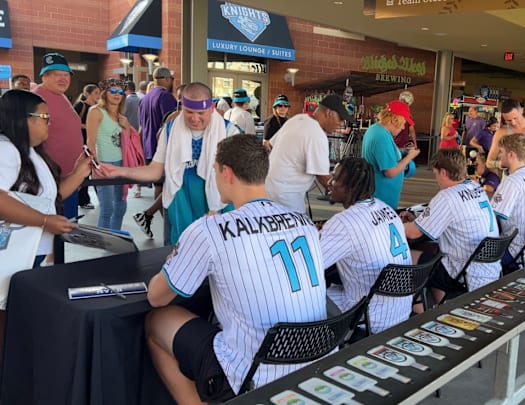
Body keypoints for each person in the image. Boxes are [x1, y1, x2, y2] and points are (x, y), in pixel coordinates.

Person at [145, 135, 326, 403]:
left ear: (226, 172)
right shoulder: (304, 222)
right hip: (315, 361)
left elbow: (156, 297)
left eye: (214, 170)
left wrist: (181, 250)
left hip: (253, 373)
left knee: (156, 320)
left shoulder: (210, 230)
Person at [0, 90, 93, 366]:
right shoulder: (6, 150)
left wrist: (80, 171)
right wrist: (44, 221)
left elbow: (49, 200)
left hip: (32, 251)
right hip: (14, 254)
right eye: (44, 117)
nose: (49, 123)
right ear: (23, 118)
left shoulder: (30, 152)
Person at [100, 82, 242, 244]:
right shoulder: (170, 130)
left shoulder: (230, 132)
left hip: (219, 211)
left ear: (211, 108)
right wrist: (120, 171)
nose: (195, 118)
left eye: (201, 113)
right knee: (178, 253)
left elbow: (240, 180)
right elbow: (155, 170)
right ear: (181, 108)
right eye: (189, 112)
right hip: (180, 207)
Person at [320, 157, 411, 334]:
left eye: (335, 179)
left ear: (352, 187)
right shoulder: (386, 208)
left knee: (303, 300)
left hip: (369, 318)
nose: (329, 182)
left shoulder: (344, 223)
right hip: (399, 311)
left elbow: (307, 267)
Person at [402, 148, 499, 309]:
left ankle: (416, 314)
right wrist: (418, 219)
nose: (436, 180)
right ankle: (441, 306)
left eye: (435, 174)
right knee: (434, 252)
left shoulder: (447, 196)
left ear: (444, 172)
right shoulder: (475, 187)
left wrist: (392, 225)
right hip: (488, 267)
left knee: (406, 257)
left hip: (463, 273)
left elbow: (413, 233)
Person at [266, 94, 353, 213]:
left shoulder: (297, 119)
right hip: (286, 199)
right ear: (329, 113)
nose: (341, 124)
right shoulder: (317, 135)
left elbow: (270, 145)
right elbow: (323, 178)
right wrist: (350, 197)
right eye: (340, 119)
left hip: (268, 191)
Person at [33, 52, 84, 240]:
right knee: (47, 238)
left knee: (63, 235)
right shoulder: (37, 99)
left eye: (66, 74)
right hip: (52, 182)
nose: (63, 78)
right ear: (44, 76)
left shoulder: (60, 96)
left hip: (69, 179)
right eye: (56, 74)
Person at [491, 133, 525, 273]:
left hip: (516, 252)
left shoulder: (512, 181)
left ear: (511, 154)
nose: (499, 156)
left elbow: (492, 217)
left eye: (501, 152)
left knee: (468, 252)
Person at [134, 67, 177, 238]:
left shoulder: (144, 98)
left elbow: (141, 127)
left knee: (160, 186)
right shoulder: (166, 97)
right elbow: (172, 124)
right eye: (172, 79)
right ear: (167, 79)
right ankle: (168, 226)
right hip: (163, 149)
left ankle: (149, 217)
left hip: (148, 148)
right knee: (168, 187)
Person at [86, 78, 133, 231]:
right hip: (103, 164)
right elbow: (90, 142)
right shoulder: (96, 111)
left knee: (121, 205)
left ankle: (115, 237)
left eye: (120, 92)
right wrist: (95, 166)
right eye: (113, 91)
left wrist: (127, 126)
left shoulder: (120, 115)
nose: (117, 94)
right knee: (107, 208)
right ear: (105, 93)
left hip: (120, 164)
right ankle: (104, 242)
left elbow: (128, 141)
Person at [361, 100, 420, 209]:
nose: (403, 128)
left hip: (377, 195)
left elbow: (384, 153)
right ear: (394, 120)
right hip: (381, 199)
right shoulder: (382, 136)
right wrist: (409, 157)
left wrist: (403, 151)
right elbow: (390, 172)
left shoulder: (375, 129)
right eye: (403, 124)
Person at [73, 84, 100, 209]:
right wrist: (90, 126)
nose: (98, 95)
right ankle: (83, 200)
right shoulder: (80, 105)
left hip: (94, 142)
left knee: (96, 170)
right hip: (82, 142)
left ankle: (101, 197)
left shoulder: (98, 108)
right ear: (88, 94)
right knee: (85, 171)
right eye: (96, 93)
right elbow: (73, 122)